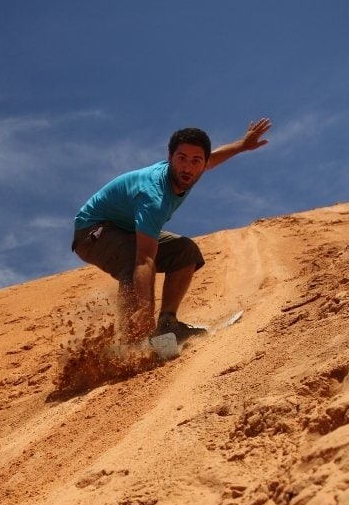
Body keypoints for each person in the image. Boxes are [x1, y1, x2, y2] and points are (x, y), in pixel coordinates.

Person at [72, 118, 271, 342]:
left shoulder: (191, 170)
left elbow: (213, 159)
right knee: (132, 266)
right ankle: (130, 344)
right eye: (182, 158)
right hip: (93, 231)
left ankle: (168, 326)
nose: (188, 167)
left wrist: (243, 145)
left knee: (185, 251)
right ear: (170, 158)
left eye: (197, 161)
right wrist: (146, 307)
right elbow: (144, 258)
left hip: (126, 227)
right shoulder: (154, 197)